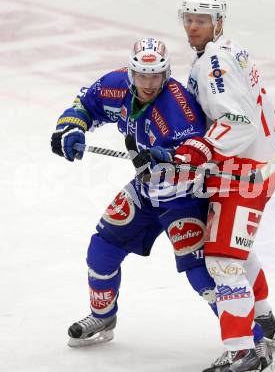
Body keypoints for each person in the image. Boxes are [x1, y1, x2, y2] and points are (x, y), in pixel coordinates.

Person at [51, 38, 218, 347]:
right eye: (142, 75)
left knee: (201, 275)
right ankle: (103, 316)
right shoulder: (115, 85)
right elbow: (84, 106)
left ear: (166, 73)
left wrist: (172, 157)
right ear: (131, 72)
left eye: (156, 76)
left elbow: (198, 148)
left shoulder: (177, 105)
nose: (149, 83)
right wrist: (71, 128)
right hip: (145, 190)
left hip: (185, 196)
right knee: (101, 249)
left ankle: (248, 337)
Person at [174, 0, 275, 372]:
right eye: (188, 19)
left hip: (248, 171)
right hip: (263, 161)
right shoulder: (229, 49)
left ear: (218, 22)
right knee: (232, 245)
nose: (193, 27)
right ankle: (266, 321)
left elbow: (237, 123)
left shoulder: (213, 65)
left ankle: (244, 352)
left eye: (201, 21)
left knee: (222, 259)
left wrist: (198, 151)